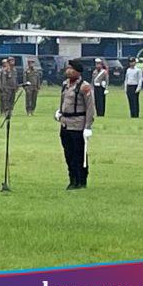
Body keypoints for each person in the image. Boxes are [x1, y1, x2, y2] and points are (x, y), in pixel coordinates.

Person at [56, 59, 95, 190]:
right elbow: (63, 101)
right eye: (68, 68)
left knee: (79, 154)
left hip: (78, 124)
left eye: (71, 69)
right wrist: (59, 113)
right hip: (65, 124)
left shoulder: (84, 87)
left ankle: (81, 180)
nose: (68, 71)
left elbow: (90, 108)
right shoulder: (65, 85)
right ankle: (72, 179)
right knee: (68, 154)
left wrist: (88, 126)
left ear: (78, 72)